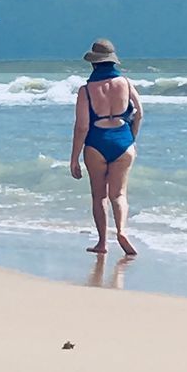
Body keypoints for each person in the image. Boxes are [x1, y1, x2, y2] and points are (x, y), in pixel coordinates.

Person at [70, 38, 143, 257]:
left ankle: (102, 242)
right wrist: (131, 138)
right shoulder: (126, 83)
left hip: (97, 143)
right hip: (123, 140)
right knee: (119, 195)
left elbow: (82, 126)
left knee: (99, 196)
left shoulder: (86, 90)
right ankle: (122, 231)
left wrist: (74, 158)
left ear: (93, 63)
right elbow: (139, 113)